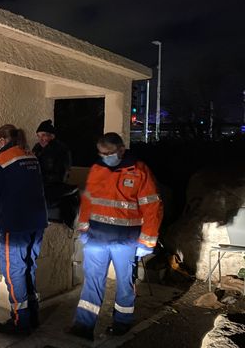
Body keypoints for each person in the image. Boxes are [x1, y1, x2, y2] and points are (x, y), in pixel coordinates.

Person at [69, 132, 163, 341]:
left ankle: (122, 323)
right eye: (102, 153)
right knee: (92, 282)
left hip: (126, 241)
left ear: (121, 150)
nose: (105, 157)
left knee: (125, 284)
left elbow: (152, 207)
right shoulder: (97, 168)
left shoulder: (139, 171)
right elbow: (88, 201)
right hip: (96, 238)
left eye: (109, 153)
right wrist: (83, 229)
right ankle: (84, 325)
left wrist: (147, 241)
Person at [0, 124, 48, 336]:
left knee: (14, 270)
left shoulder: (0, 161)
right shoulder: (31, 156)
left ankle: (20, 320)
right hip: (37, 221)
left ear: (2, 139)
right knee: (29, 266)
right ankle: (33, 314)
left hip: (15, 224)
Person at [32, 119, 71, 185]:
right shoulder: (37, 148)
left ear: (52, 136)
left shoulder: (60, 149)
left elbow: (61, 175)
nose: (40, 139)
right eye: (38, 136)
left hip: (54, 187)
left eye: (43, 135)